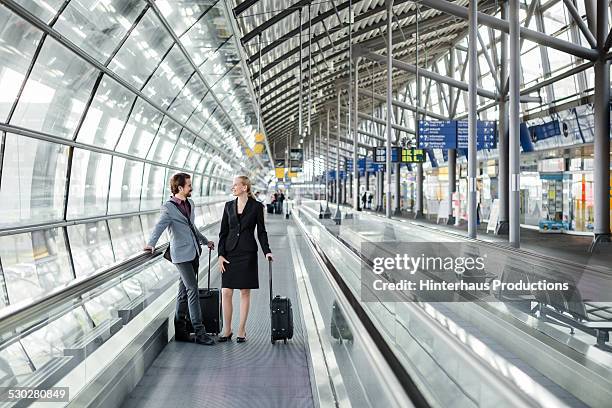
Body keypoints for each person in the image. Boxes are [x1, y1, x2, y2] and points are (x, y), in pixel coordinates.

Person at [144, 173, 215, 345]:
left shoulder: (190, 203)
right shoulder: (168, 208)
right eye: (189, 185)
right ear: (180, 188)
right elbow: (159, 226)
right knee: (192, 291)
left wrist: (205, 241)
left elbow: (192, 227)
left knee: (183, 293)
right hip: (181, 256)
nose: (192, 188)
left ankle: (181, 331)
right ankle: (199, 332)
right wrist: (150, 243)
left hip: (194, 252)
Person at [218, 176, 273, 343]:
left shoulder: (256, 207)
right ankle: (227, 329)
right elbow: (223, 233)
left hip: (247, 252)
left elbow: (261, 231)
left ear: (244, 187)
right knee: (226, 291)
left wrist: (267, 251)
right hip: (230, 253)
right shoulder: (228, 206)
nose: (232, 188)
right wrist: (220, 254)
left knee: (244, 292)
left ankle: (241, 329)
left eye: (235, 185)